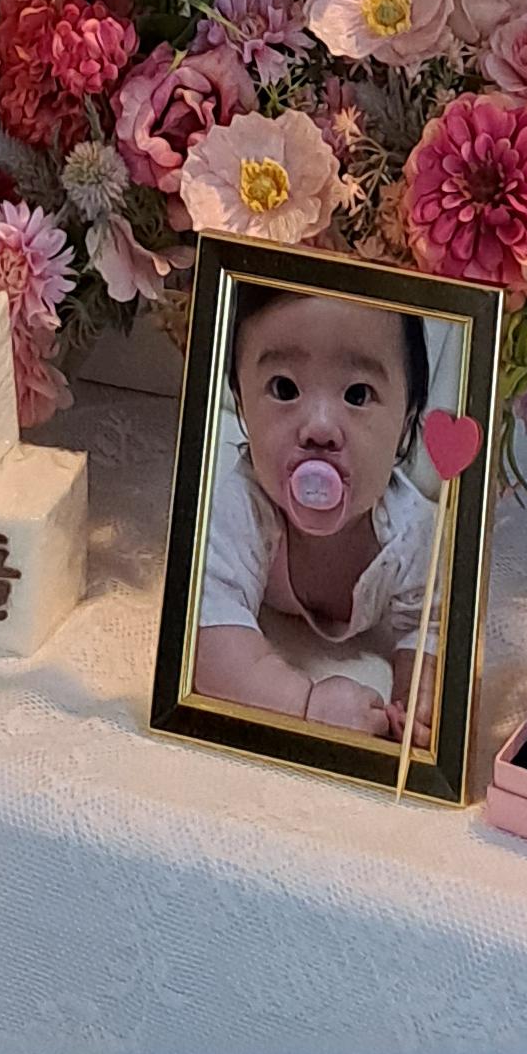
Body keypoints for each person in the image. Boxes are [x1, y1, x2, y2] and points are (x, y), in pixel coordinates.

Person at [194, 287, 437, 734]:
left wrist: (418, 708)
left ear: (405, 424)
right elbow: (204, 641)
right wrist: (304, 704)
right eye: (284, 389)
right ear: (242, 406)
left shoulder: (412, 534)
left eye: (358, 395)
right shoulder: (241, 509)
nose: (320, 428)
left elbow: (433, 630)